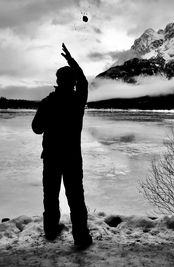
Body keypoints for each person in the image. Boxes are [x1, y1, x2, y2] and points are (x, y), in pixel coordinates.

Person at [32, 43, 92, 248]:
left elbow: (36, 129)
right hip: (73, 158)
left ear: (57, 81)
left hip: (51, 157)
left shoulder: (47, 102)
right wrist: (71, 60)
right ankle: (81, 238)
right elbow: (85, 81)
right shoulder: (78, 100)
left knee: (50, 195)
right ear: (73, 82)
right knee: (76, 198)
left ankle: (50, 230)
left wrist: (49, 118)